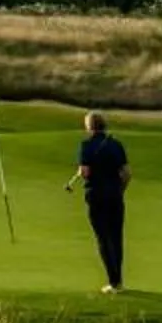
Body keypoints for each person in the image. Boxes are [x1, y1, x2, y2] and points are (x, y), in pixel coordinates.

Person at [68, 111, 129, 293]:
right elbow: (127, 174)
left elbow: (85, 172)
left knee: (103, 238)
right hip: (115, 196)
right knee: (116, 237)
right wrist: (119, 190)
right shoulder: (116, 145)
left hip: (96, 195)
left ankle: (113, 282)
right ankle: (119, 281)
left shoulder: (86, 146)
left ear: (89, 126)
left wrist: (81, 171)